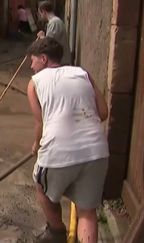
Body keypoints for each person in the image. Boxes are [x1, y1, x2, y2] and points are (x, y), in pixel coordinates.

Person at [27, 37, 109, 243]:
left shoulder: (35, 82)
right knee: (87, 212)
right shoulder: (83, 73)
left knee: (40, 185)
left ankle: (56, 232)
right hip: (96, 152)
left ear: (43, 59)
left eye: (33, 60)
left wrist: (36, 145)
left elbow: (41, 125)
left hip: (58, 152)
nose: (31, 65)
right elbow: (103, 112)